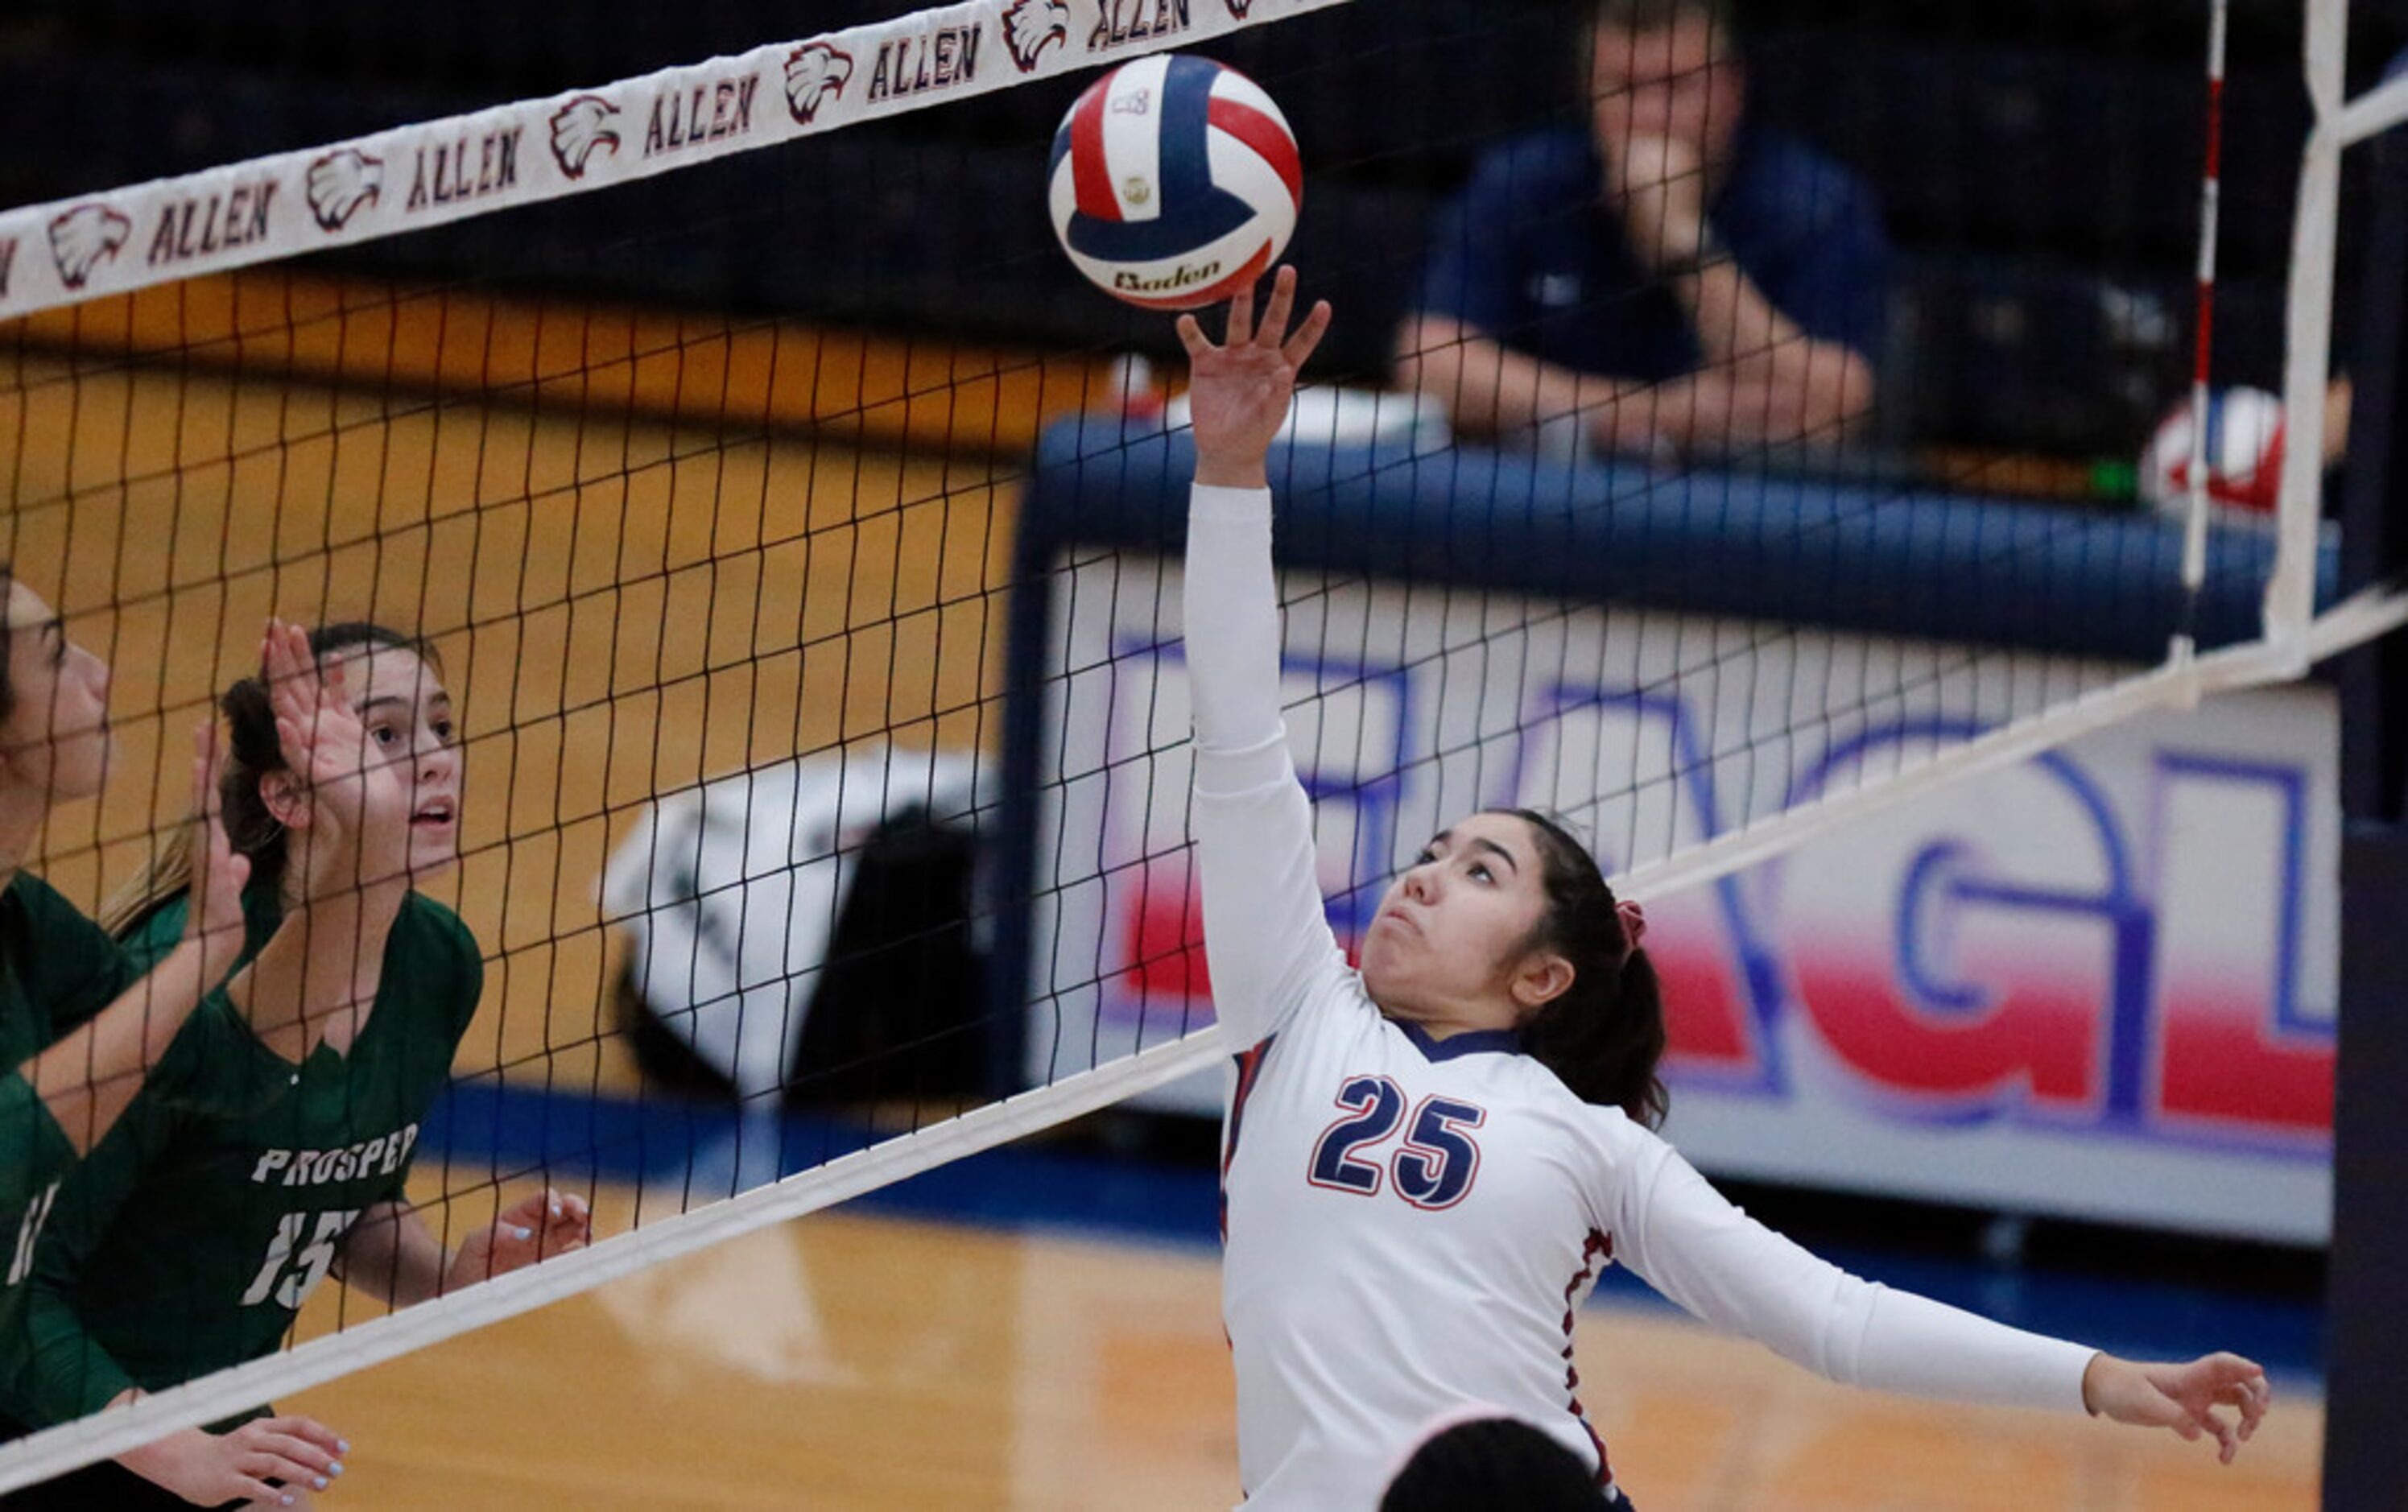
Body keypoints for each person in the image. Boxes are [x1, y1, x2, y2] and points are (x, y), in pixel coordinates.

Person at [1179, 267, 2270, 1510]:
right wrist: (1228, 469)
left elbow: (1827, 1315)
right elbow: (1237, 738)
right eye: (1431, 852)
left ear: (1542, 975)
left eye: (1476, 870)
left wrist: (2093, 1374)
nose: (1421, 879)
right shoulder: (1292, 1006)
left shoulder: (1591, 1144)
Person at [0, 620, 589, 1509]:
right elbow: (22, 1284)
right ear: (289, 795)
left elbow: (332, 1198)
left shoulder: (435, 962)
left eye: (440, 727)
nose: (432, 759)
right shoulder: (177, 990)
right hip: (56, 1423)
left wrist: (449, 1276)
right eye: (385, 736)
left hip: (206, 1425)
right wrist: (168, 1449)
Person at [1394, 0, 1887, 460]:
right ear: (1589, 88)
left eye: (1676, 87)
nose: (1650, 117)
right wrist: (1660, 414)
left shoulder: (1816, 205)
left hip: (1739, 509)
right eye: (1626, 89)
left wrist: (1687, 250)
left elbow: (1832, 410)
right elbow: (1431, 365)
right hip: (1548, 494)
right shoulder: (1523, 184)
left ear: (1731, 90)